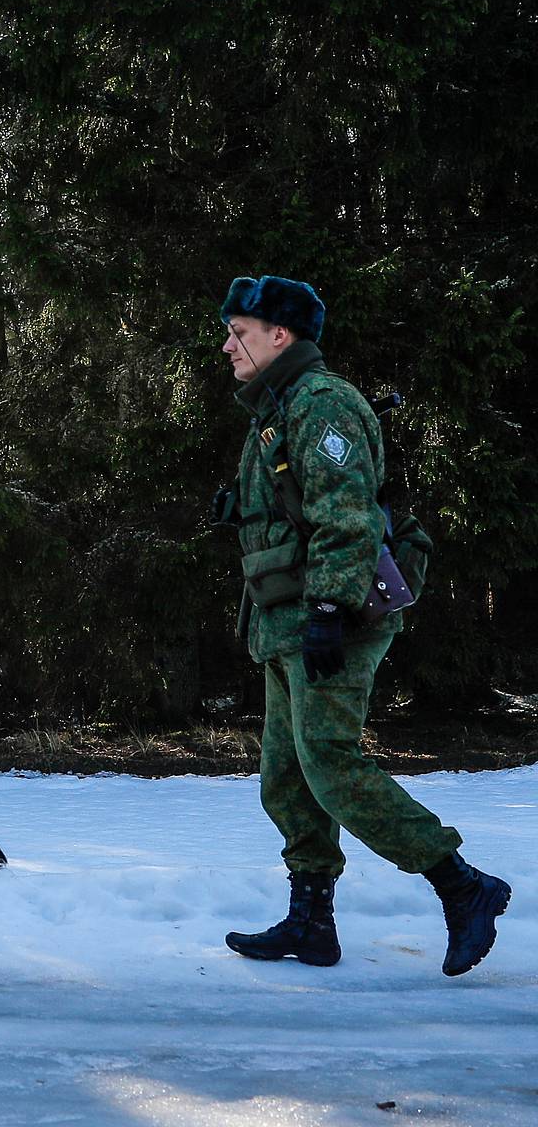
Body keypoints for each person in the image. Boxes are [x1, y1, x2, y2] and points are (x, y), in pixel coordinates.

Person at [213, 276, 510, 977]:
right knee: (285, 778)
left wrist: (326, 609)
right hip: (288, 620)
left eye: (240, 333)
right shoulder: (276, 409)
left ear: (280, 336)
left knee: (332, 764)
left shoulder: (324, 403)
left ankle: (463, 886)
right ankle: (311, 922)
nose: (228, 345)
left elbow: (346, 515)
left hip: (330, 620)